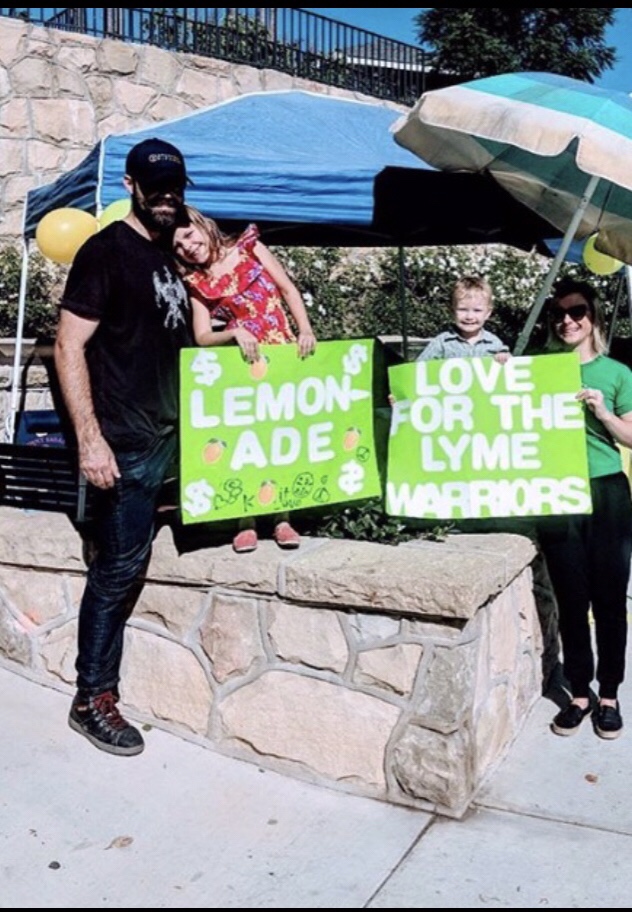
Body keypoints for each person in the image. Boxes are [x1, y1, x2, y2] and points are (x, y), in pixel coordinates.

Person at [54, 138, 193, 756]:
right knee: (116, 571)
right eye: (154, 187)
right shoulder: (106, 250)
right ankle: (92, 698)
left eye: (174, 188)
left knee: (134, 564)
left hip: (173, 439)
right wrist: (91, 440)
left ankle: (99, 690)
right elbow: (68, 345)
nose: (166, 197)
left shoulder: (167, 254)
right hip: (126, 443)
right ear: (132, 187)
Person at [171, 205, 317, 554]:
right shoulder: (197, 284)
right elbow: (203, 336)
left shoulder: (250, 248)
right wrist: (232, 332)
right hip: (242, 365)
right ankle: (245, 519)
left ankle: (283, 518)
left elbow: (287, 290)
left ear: (203, 226)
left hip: (283, 353)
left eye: (189, 235)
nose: (188, 247)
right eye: (177, 245)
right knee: (247, 439)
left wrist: (306, 330)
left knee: (282, 434)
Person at [537, 277, 632, 740]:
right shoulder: (537, 369)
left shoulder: (617, 373)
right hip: (556, 492)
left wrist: (604, 413)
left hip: (606, 491)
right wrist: (499, 370)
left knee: (610, 598)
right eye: (559, 313)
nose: (567, 320)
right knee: (571, 597)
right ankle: (579, 691)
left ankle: (609, 694)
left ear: (593, 318)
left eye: (577, 312)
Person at [417, 274, 510, 362]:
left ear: (487, 313)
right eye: (463, 310)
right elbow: (419, 367)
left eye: (477, 310)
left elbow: (509, 367)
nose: (469, 317)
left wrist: (504, 358)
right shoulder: (442, 343)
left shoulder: (494, 343)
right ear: (452, 311)